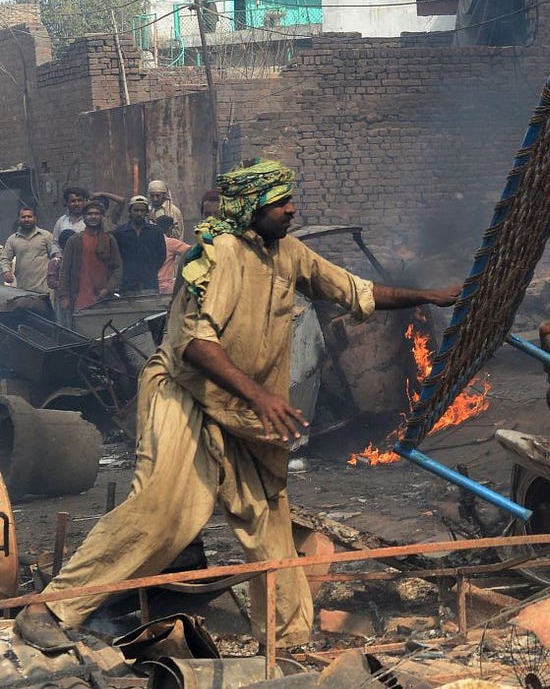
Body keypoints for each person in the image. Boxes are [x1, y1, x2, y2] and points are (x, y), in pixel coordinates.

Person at [14, 159, 460, 653]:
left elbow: (358, 291)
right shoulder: (219, 255)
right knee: (165, 512)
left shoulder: (289, 253)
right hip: (185, 397)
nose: (291, 209)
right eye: (280, 202)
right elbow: (196, 345)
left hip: (244, 412)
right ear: (252, 207)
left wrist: (432, 296)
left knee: (267, 519)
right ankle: (50, 608)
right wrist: (263, 395)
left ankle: (288, 640)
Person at [56, 200, 122, 325]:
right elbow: (65, 271)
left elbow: (117, 268)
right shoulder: (75, 241)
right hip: (81, 298)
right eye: (90, 214)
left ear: (101, 216)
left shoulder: (109, 240)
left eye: (97, 214)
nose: (93, 217)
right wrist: (63, 296)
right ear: (84, 217)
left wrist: (108, 289)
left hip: (104, 298)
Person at [3, 208, 61, 315]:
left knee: (48, 321)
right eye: (23, 217)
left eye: (29, 216)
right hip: (23, 291)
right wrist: (6, 271)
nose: (26, 219)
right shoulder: (12, 239)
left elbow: (55, 253)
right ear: (19, 219)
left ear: (35, 218)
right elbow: (5, 258)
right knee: (28, 322)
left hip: (45, 291)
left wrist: (56, 259)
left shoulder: (45, 236)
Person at [114, 195, 168, 294]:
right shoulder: (120, 232)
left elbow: (162, 256)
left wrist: (150, 269)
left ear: (146, 212)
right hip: (127, 284)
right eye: (136, 210)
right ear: (130, 212)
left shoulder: (155, 231)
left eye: (142, 211)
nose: (139, 214)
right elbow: (115, 257)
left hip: (149, 283)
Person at [154, 215, 189, 295]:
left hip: (151, 286)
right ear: (170, 228)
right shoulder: (170, 243)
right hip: (167, 287)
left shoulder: (149, 241)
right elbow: (192, 251)